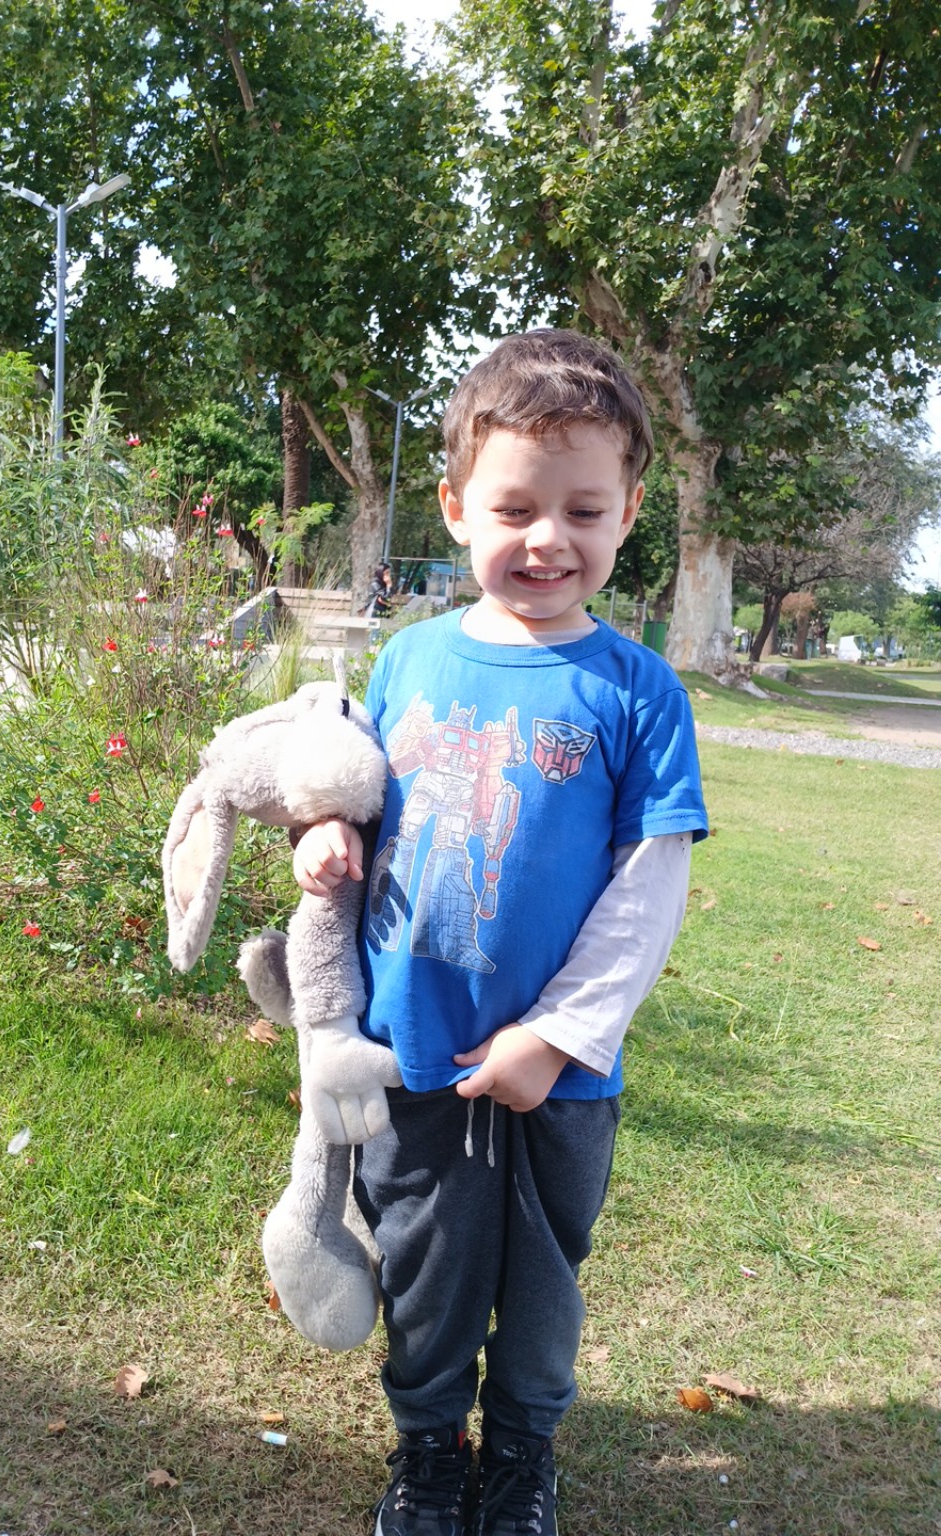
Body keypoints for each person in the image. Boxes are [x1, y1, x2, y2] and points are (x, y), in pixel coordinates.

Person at [293, 329, 708, 1536]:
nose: (548, 539)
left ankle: (521, 1456)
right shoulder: (411, 658)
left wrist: (560, 1035)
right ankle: (429, 1452)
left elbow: (647, 885)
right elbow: (354, 797)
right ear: (456, 507)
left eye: (584, 510)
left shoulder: (636, 691)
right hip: (411, 1052)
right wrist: (322, 835)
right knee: (423, 1270)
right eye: (516, 506)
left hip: (557, 1080)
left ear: (628, 513)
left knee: (538, 1285)